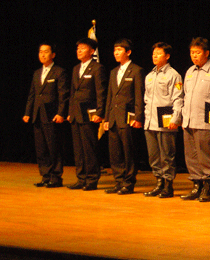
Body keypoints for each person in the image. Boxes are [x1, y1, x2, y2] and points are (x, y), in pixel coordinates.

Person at [181, 37, 210, 202]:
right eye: (192, 52)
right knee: (191, 156)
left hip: (206, 121)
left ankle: (207, 187)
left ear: (206, 53)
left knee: (206, 155)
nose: (194, 56)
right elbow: (185, 96)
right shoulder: (189, 71)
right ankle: (196, 185)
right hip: (189, 120)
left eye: (197, 52)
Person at [23, 42, 69, 188]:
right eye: (40, 51)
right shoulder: (37, 73)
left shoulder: (59, 72)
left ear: (53, 54)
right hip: (37, 114)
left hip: (51, 114)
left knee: (53, 147)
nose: (42, 54)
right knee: (41, 148)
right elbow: (32, 94)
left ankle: (56, 177)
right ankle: (45, 176)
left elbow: (63, 95)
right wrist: (27, 112)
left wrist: (61, 113)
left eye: (46, 51)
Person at [103, 39, 145, 195]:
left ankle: (128, 182)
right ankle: (118, 181)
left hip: (128, 118)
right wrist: (107, 119)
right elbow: (110, 96)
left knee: (129, 152)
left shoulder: (136, 70)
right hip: (114, 118)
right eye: (115, 50)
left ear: (128, 52)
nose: (116, 53)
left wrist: (138, 117)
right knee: (115, 153)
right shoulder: (113, 72)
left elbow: (139, 95)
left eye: (119, 50)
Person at [143, 42, 184, 198]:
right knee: (153, 156)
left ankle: (168, 185)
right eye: (154, 53)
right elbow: (146, 99)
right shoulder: (149, 76)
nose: (155, 56)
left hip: (166, 122)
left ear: (167, 56)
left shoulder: (174, 75)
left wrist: (176, 118)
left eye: (159, 53)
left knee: (167, 155)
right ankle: (158, 182)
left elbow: (178, 98)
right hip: (150, 122)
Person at [67, 38, 107, 191]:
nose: (79, 51)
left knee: (89, 148)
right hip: (76, 113)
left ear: (91, 51)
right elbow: (72, 93)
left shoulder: (97, 68)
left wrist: (100, 112)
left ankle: (91, 179)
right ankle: (81, 177)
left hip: (89, 113)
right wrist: (70, 112)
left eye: (82, 48)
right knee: (78, 149)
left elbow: (101, 92)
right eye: (78, 48)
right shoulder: (76, 68)